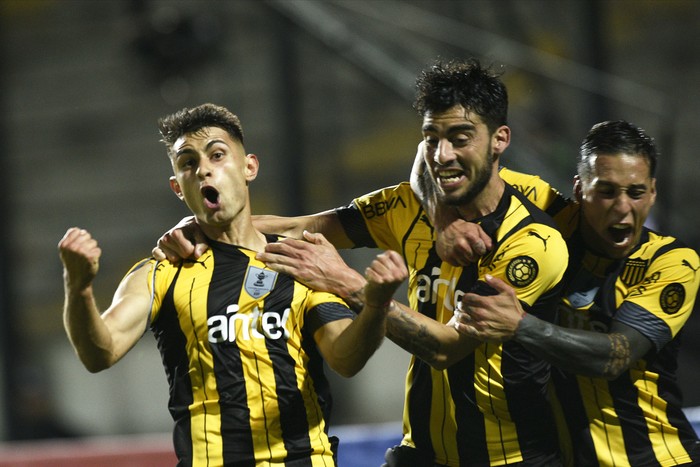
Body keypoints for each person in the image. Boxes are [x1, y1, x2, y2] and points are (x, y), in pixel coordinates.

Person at [155, 59, 570, 466]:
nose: (442, 155)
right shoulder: (407, 207)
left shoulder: (530, 239)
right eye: (431, 138)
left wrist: (347, 283)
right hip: (423, 454)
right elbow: (302, 226)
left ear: (500, 139)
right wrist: (203, 226)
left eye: (461, 138)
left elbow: (446, 349)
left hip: (513, 458)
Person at [58, 103, 408, 466]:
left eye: (217, 155)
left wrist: (375, 305)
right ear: (179, 188)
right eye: (188, 162)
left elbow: (345, 357)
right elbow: (100, 353)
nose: (204, 169)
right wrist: (79, 287)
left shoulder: (301, 262)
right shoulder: (163, 270)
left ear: (249, 167)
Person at [438, 120, 700, 466]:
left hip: (662, 460)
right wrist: (443, 219)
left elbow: (615, 358)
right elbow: (441, 165)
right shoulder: (549, 219)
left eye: (635, 192)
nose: (622, 208)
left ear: (652, 192)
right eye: (606, 191)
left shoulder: (673, 263)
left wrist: (520, 326)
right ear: (579, 189)